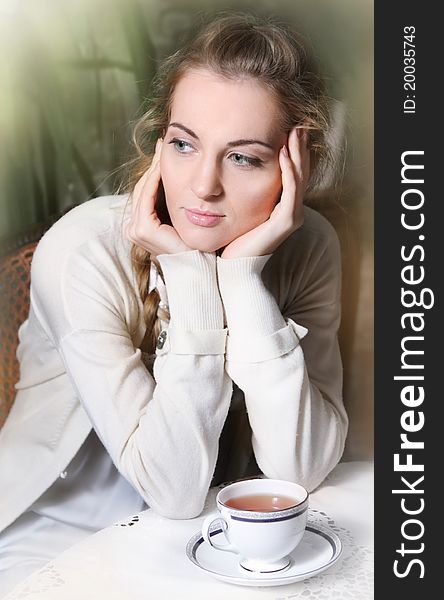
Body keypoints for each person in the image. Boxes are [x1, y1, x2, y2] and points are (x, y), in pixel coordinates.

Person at [0, 11, 348, 595]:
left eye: (244, 157)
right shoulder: (83, 251)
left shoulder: (311, 246)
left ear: (297, 164)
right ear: (159, 144)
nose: (203, 186)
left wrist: (241, 280)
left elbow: (302, 469)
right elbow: (173, 488)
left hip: (206, 535)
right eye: (185, 145)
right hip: (55, 531)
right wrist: (191, 276)